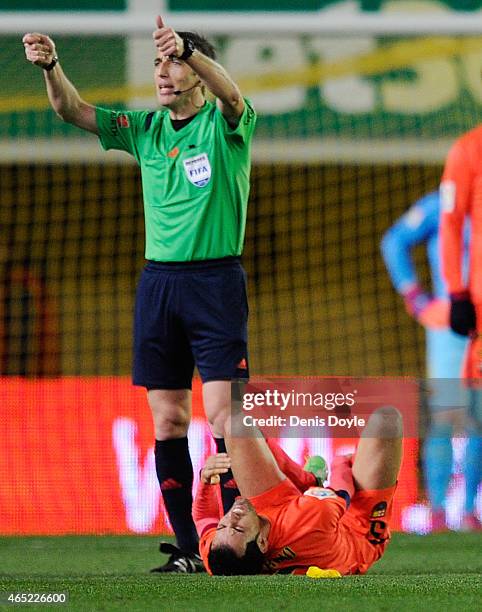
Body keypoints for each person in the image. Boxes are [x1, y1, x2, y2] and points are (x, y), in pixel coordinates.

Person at [23, 14, 257, 571]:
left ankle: (234, 543)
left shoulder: (227, 125)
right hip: (160, 285)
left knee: (224, 419)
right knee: (169, 421)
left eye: (173, 61)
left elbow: (232, 93)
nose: (164, 72)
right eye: (159, 62)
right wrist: (52, 67)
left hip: (216, 282)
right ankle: (187, 549)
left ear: (197, 72)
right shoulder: (144, 129)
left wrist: (191, 49)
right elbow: (71, 110)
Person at [194, 406, 403, 575]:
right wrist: (341, 461)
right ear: (263, 542)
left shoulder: (221, 555)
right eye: (238, 528)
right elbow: (342, 491)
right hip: (355, 527)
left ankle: (307, 481)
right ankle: (312, 483)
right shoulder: (308, 522)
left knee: (236, 425)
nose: (232, 517)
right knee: (387, 420)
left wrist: (205, 480)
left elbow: (203, 518)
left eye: (222, 526)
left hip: (286, 507)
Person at [381, 192, 480, 532]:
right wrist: (416, 298)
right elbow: (394, 241)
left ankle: (468, 509)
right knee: (446, 417)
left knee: (479, 417)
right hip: (450, 328)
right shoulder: (442, 204)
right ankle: (438, 510)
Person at [439, 128, 482, 531]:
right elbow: (450, 223)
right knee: (476, 413)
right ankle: (462, 510)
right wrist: (456, 291)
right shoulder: (468, 149)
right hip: (481, 303)